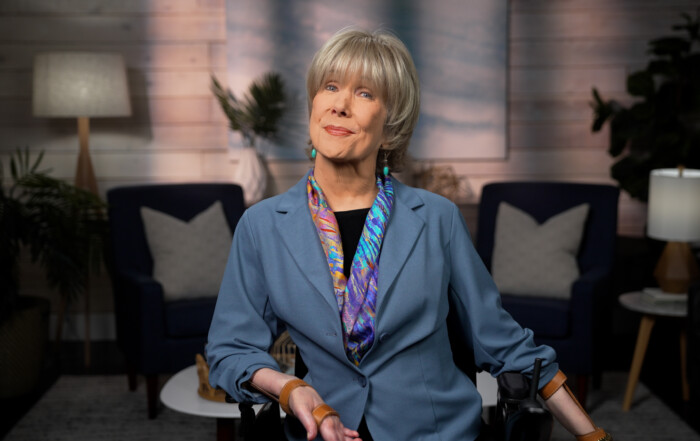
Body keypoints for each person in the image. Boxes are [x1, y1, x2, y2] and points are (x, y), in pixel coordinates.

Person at [206, 28, 611, 441]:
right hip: (321, 430)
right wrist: (291, 388)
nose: (340, 105)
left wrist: (591, 435)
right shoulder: (262, 226)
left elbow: (505, 343)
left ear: (390, 127)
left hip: (437, 432)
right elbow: (229, 348)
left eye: (365, 94)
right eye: (330, 86)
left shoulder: (438, 219)